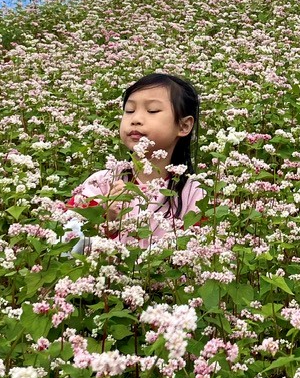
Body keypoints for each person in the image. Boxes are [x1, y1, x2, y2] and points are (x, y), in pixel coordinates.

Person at [64, 73, 205, 253]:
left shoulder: (194, 193)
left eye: (152, 110)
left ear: (184, 126)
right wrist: (105, 218)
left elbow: (201, 253)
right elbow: (65, 243)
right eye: (129, 110)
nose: (135, 119)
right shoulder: (100, 184)